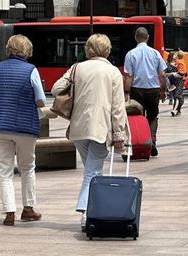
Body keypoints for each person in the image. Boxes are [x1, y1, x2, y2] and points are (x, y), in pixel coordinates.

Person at [51, 33, 130, 232]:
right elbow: (118, 108)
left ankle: (94, 209)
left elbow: (55, 88)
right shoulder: (112, 72)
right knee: (93, 172)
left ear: (87, 49)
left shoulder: (77, 68)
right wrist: (120, 135)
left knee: (91, 170)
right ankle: (85, 211)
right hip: (100, 128)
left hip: (78, 128)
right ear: (108, 50)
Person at [0, 34, 46, 226]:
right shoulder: (31, 70)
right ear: (27, 50)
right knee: (27, 167)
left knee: (5, 170)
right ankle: (28, 209)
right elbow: (41, 100)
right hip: (25, 126)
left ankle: (9, 212)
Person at [123, 27, 167, 157]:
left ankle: (140, 140)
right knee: (152, 117)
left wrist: (126, 93)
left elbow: (128, 77)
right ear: (147, 37)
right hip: (153, 90)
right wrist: (163, 90)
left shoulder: (131, 54)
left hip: (137, 90)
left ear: (136, 38)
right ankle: (152, 140)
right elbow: (162, 75)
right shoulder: (155, 53)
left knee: (138, 116)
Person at [166, 52, 185, 117]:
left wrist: (180, 75)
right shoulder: (167, 65)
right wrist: (172, 74)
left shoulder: (179, 63)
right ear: (171, 56)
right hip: (172, 83)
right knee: (176, 97)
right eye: (174, 55)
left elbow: (184, 72)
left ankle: (175, 110)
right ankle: (177, 110)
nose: (176, 56)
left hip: (179, 82)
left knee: (177, 96)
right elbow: (164, 74)